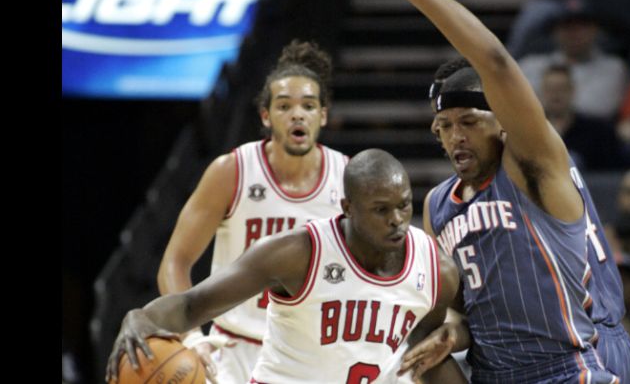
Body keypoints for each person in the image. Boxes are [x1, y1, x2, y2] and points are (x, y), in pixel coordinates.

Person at [362, 0, 630, 383]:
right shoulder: (439, 205)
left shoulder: (531, 160)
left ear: (502, 122)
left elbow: (495, 61)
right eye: (444, 127)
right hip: (496, 369)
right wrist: (451, 332)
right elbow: (467, 312)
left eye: (468, 121)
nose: (455, 137)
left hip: (578, 354)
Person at [107, 149, 465, 384]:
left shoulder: (436, 270)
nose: (397, 220)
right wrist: (143, 317)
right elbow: (192, 304)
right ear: (348, 207)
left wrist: (455, 338)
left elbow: (429, 351)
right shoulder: (297, 253)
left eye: (404, 206)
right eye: (381, 209)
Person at [156, 40, 349, 383]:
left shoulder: (347, 178)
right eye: (284, 106)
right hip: (235, 351)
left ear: (322, 115)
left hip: (310, 354)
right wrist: (190, 336)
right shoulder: (232, 170)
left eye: (308, 105)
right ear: (266, 115)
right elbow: (175, 262)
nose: (297, 114)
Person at [518, 0, 628, 120]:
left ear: (595, 29)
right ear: (555, 31)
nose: (574, 33)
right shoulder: (530, 65)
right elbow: (520, 106)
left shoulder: (613, 68)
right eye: (567, 26)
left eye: (582, 26)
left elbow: (600, 108)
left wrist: (551, 102)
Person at [538, 64, 630, 170]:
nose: (556, 94)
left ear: (573, 91)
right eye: (550, 89)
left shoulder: (597, 131)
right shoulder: (531, 130)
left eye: (562, 88)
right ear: (542, 92)